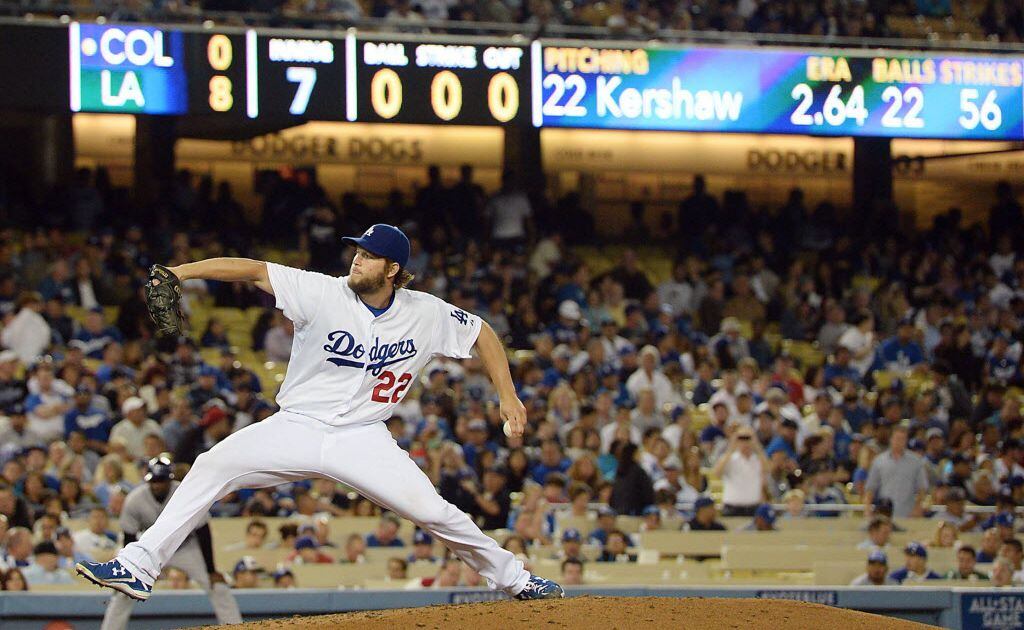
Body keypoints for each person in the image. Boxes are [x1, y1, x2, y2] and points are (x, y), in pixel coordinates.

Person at [76, 224, 562, 601]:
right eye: (357, 250)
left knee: (436, 512)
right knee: (210, 466)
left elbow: (482, 333)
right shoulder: (321, 291)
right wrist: (182, 272)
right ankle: (138, 565)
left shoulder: (425, 312)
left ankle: (515, 580)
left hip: (364, 436)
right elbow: (251, 270)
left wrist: (508, 394)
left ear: (392, 268)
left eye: (369, 255)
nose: (357, 258)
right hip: (297, 426)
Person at [91, 456, 242, 629]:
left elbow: (203, 530)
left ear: (169, 479)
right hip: (151, 550)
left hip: (185, 547)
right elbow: (129, 537)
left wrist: (211, 569)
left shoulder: (185, 492)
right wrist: (130, 569)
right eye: (154, 480)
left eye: (161, 480)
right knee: (123, 590)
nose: (157, 485)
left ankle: (235, 626)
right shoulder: (135, 499)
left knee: (217, 585)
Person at [864, 423, 930, 518]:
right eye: (897, 438)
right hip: (884, 513)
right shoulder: (879, 461)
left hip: (908, 514)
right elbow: (870, 488)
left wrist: (917, 508)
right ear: (891, 439)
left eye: (903, 439)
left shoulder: (916, 462)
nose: (899, 442)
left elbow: (922, 488)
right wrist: (867, 509)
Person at [712, 426, 768, 516]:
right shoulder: (729, 459)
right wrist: (731, 447)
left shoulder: (758, 459)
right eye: (741, 438)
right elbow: (716, 473)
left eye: (747, 438)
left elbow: (768, 469)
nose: (745, 442)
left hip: (753, 508)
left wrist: (757, 445)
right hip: (732, 508)